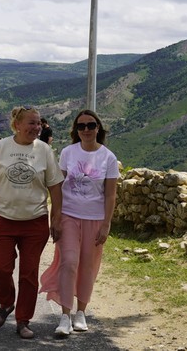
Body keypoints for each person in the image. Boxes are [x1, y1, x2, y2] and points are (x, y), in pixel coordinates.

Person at [0, 106, 64, 340]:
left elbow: (55, 186)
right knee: (0, 267)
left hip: (34, 222)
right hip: (2, 219)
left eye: (39, 124)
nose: (37, 128)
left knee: (28, 274)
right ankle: (6, 304)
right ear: (17, 125)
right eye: (31, 123)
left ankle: (23, 320)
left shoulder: (45, 150)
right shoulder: (1, 147)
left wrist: (56, 218)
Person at [39, 109, 119, 336]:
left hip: (95, 218)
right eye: (81, 126)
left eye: (90, 125)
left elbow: (111, 194)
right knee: (70, 262)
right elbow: (58, 187)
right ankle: (65, 315)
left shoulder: (108, 157)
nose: (86, 130)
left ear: (98, 128)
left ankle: (81, 312)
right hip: (69, 215)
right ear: (76, 130)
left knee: (88, 266)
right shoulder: (67, 153)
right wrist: (55, 217)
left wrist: (106, 224)